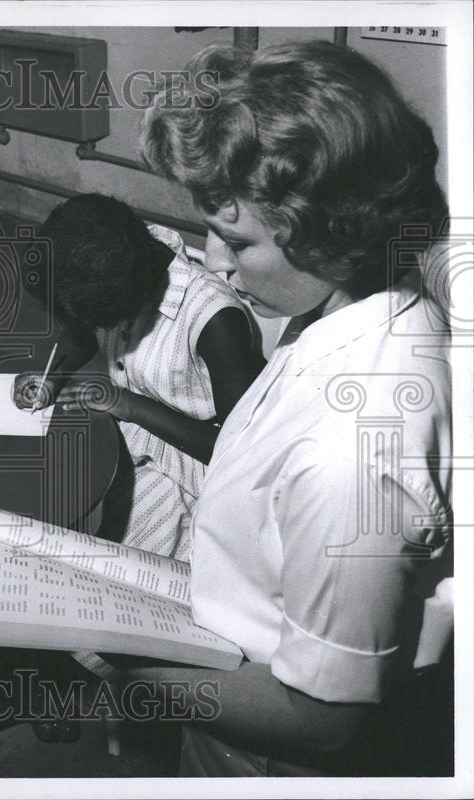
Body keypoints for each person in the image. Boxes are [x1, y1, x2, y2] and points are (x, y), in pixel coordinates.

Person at [108, 40, 452, 776]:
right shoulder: (345, 313)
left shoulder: (352, 453)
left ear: (332, 228)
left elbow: (325, 722)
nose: (212, 260)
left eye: (236, 239)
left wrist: (126, 660)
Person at [12, 193, 264, 560]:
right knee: (38, 511)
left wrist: (128, 405)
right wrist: (52, 376)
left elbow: (238, 450)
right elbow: (82, 331)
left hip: (190, 473)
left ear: (129, 305)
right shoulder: (119, 252)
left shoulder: (216, 319)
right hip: (126, 437)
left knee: (106, 564)